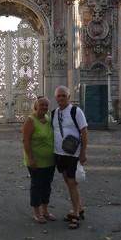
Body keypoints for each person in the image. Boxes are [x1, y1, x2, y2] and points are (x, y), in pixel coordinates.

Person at [52, 86, 88, 229]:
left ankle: (75, 215)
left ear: (69, 96)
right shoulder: (54, 113)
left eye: (64, 95)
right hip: (59, 153)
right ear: (56, 98)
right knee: (68, 181)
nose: (61, 98)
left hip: (72, 154)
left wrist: (83, 153)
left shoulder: (76, 111)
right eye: (59, 95)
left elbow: (84, 132)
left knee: (72, 183)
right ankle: (80, 209)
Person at [23, 96, 57, 224]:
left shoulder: (48, 119)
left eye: (46, 105)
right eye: (41, 105)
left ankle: (45, 211)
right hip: (35, 161)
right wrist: (31, 158)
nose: (44, 107)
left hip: (50, 161)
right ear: (35, 106)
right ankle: (36, 212)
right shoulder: (30, 121)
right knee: (37, 185)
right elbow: (25, 141)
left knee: (47, 186)